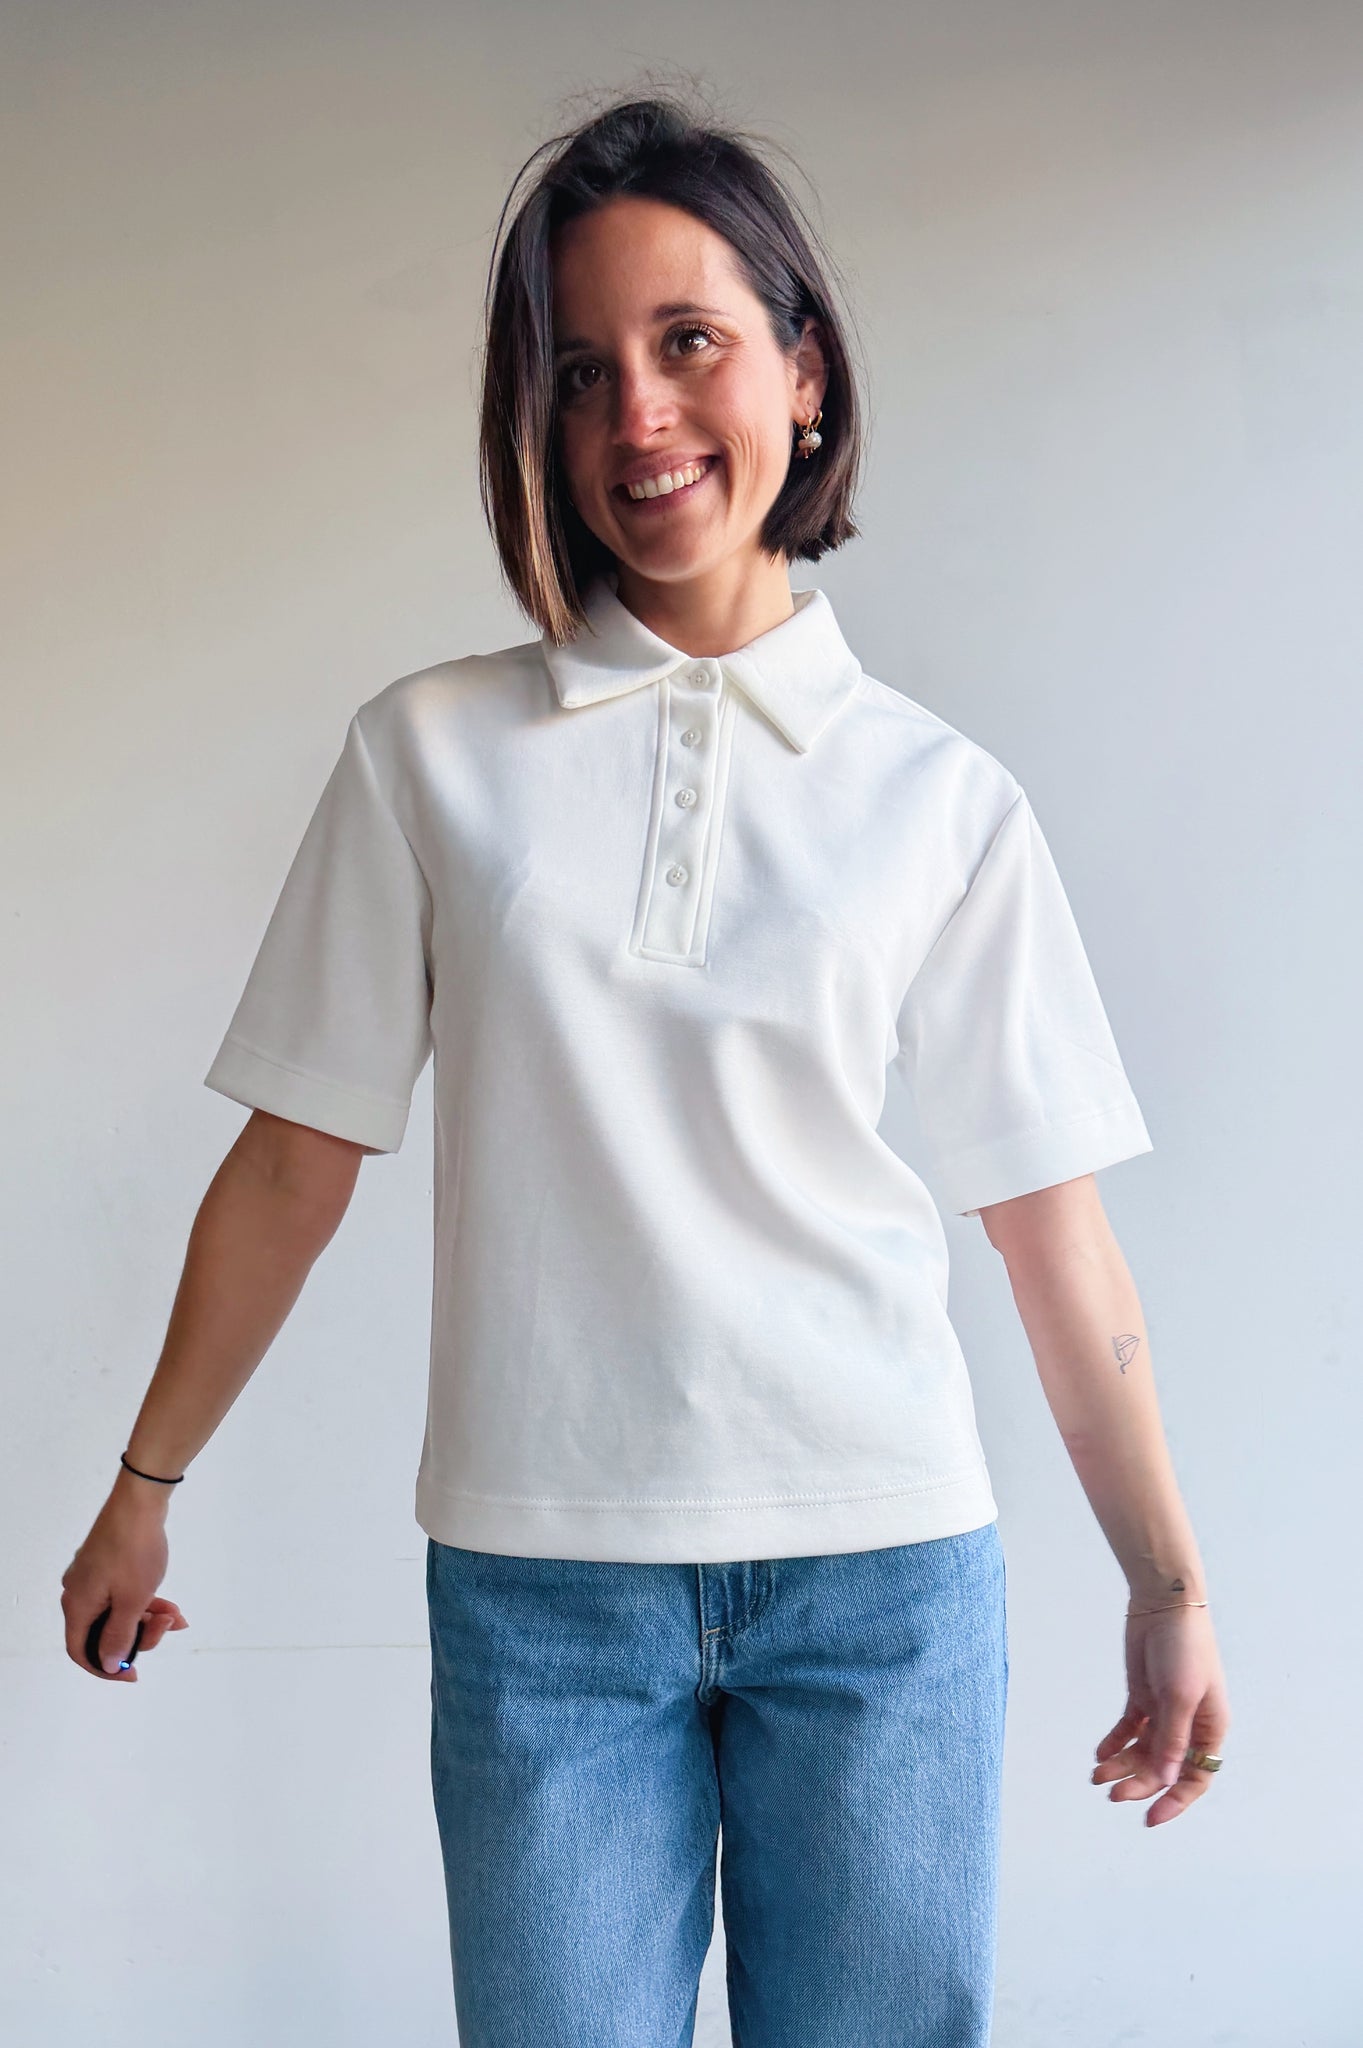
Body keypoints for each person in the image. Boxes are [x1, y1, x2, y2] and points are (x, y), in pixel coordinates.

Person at [62, 87, 1230, 2048]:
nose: (638, 416)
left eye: (689, 342)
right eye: (581, 370)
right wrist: (140, 1485)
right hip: (542, 1587)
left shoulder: (940, 799)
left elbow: (1055, 1237)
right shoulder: (427, 756)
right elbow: (290, 1162)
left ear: (803, 368)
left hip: (882, 1579)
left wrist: (1169, 1585)